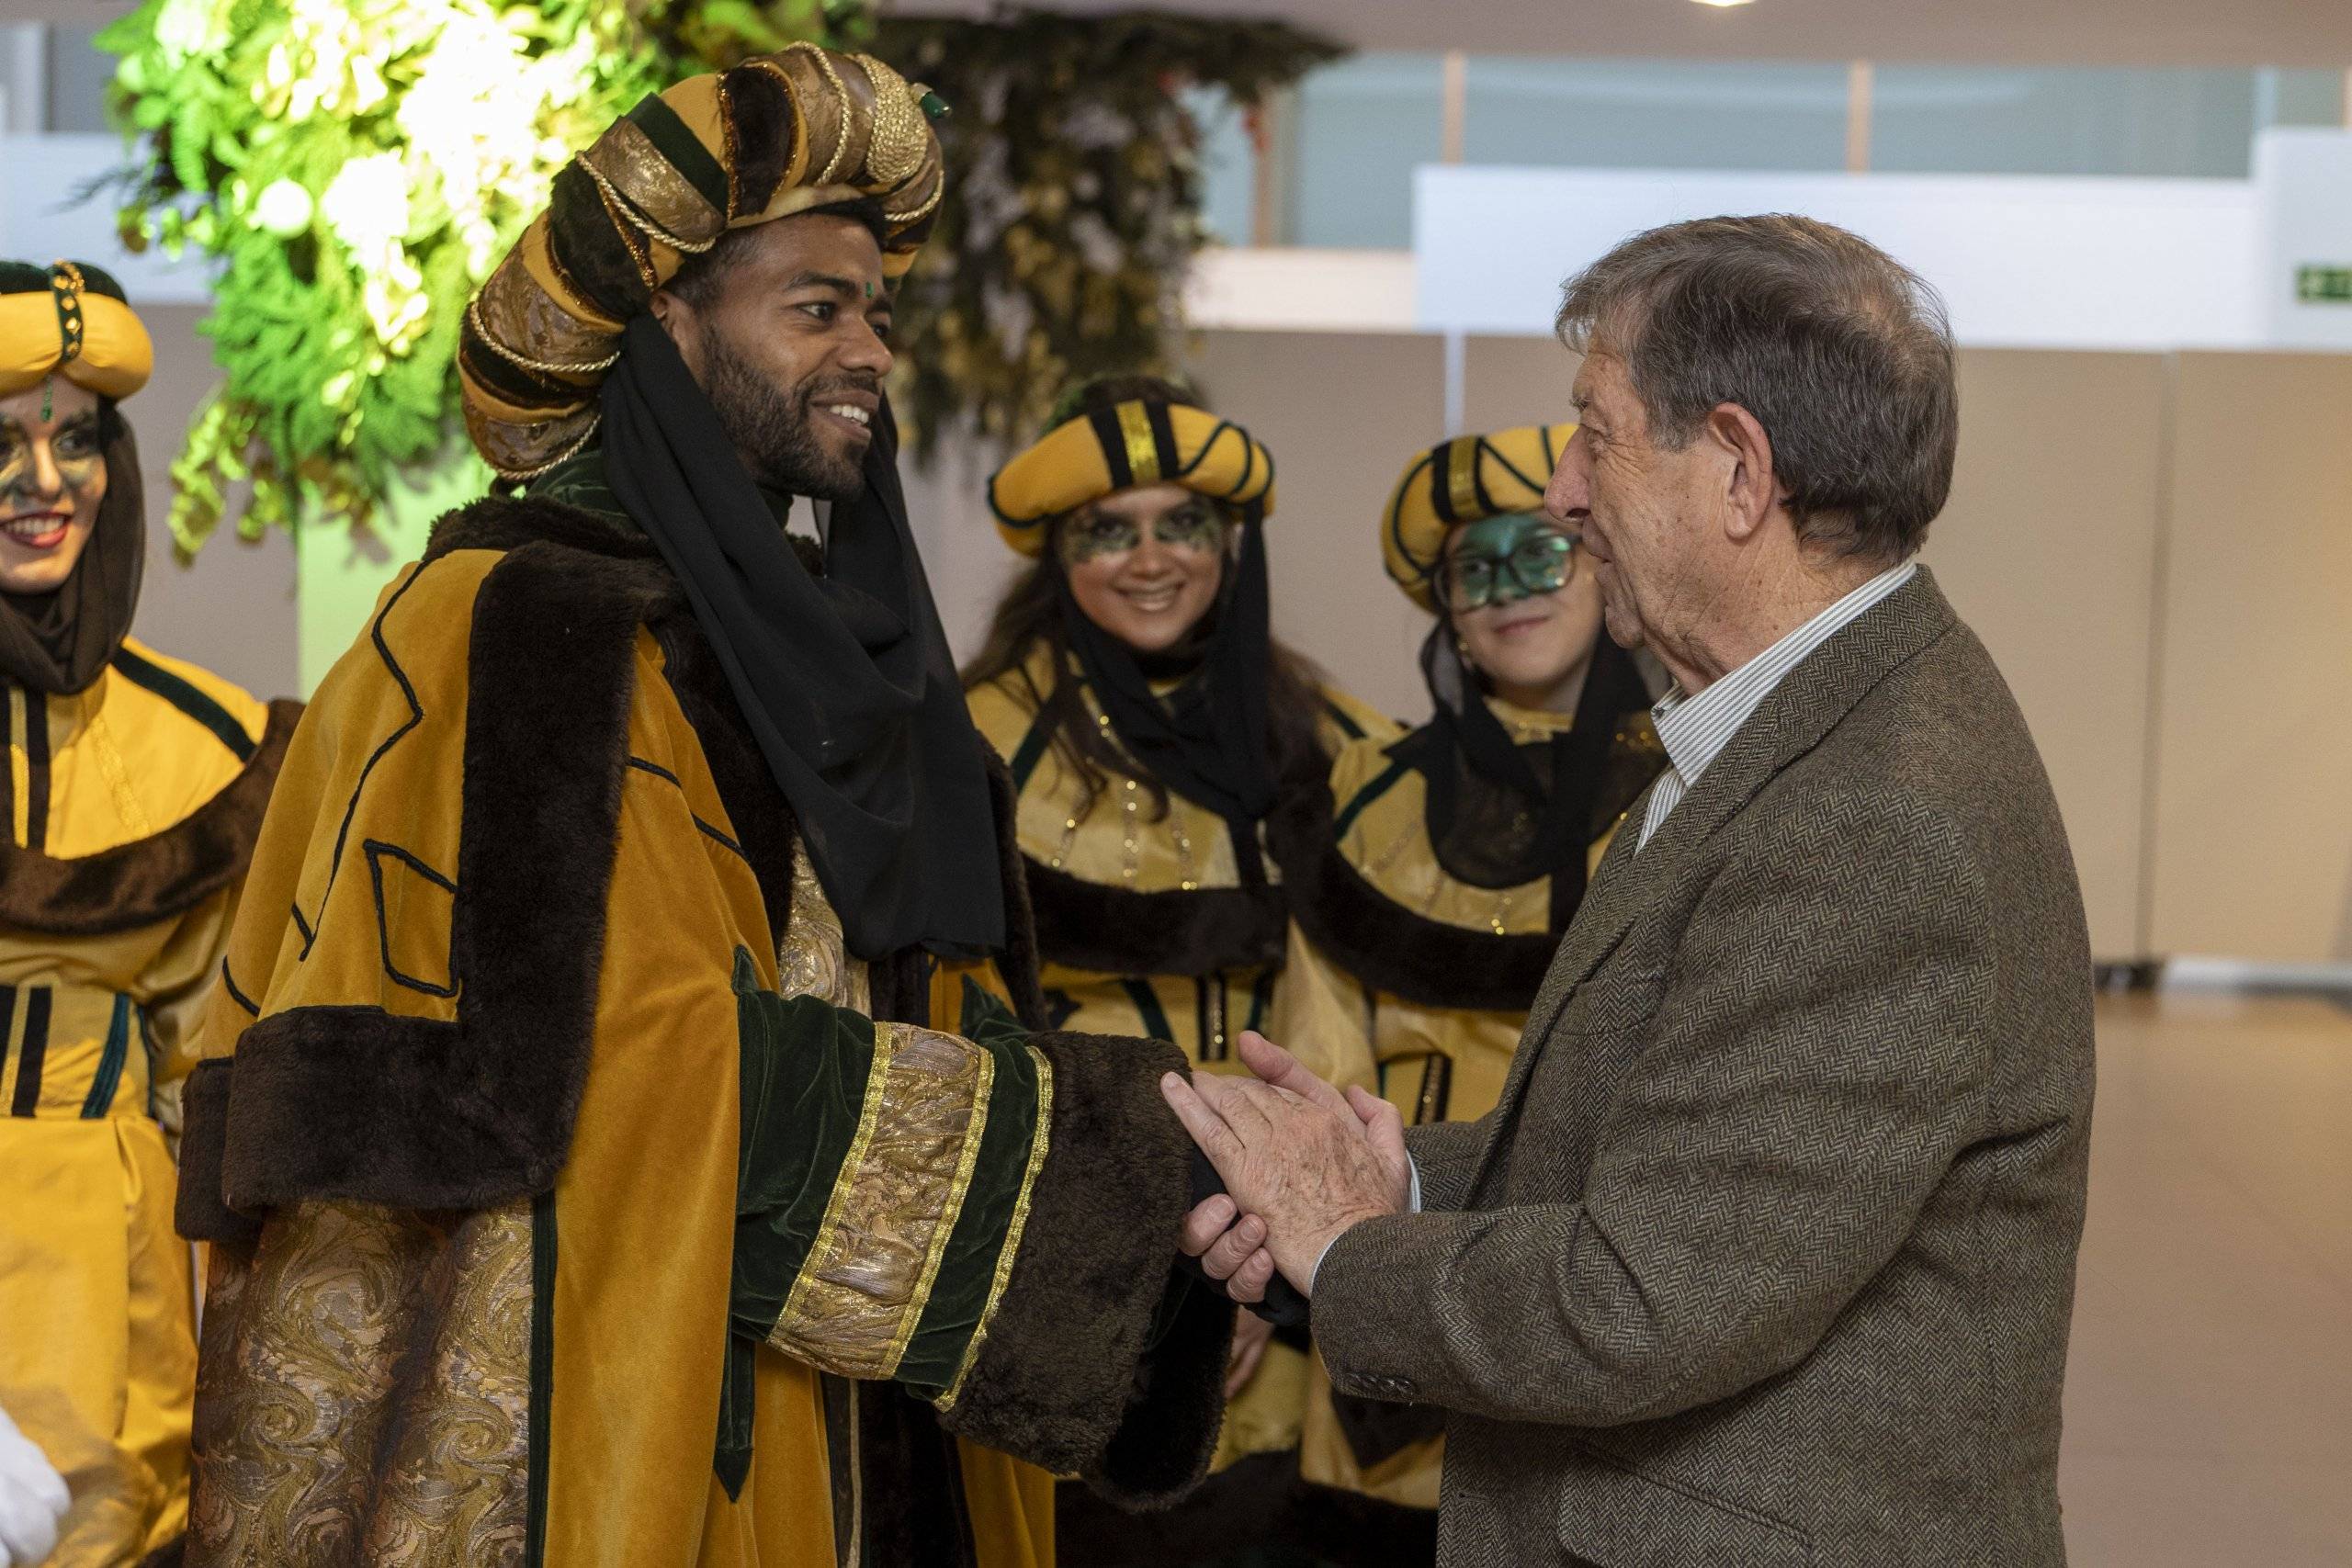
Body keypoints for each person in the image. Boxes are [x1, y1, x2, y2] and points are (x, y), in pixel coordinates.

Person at [175, 49, 1234, 1567]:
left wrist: (1163, 1230)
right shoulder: (520, 625)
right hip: (631, 1418)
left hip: (883, 1429)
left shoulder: (825, 642)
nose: (868, 348)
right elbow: (629, 1061)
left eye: (877, 310)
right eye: (815, 308)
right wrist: (1116, 1201)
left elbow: (931, 1000)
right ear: (664, 331)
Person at [1169, 214, 2096, 1566]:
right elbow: (1665, 1154)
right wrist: (1398, 1173)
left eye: (1592, 431)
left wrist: (1343, 1241)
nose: (1561, 491)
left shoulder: (1868, 815)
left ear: (1736, 468)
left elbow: (1642, 1294)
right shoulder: (1801, 728)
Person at [963, 376, 1391, 1562]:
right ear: (1060, 549)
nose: (1149, 558)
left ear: (1228, 540)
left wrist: (1271, 1259)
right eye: (1109, 527)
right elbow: (959, 1038)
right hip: (1057, 1292)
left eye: (1181, 523)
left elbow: (1342, 1021)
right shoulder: (968, 743)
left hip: (1279, 1298)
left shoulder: (1325, 737)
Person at [1273, 425, 1663, 1560]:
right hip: (1389, 1253)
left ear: (1598, 561)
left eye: (1537, 552)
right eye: (1471, 568)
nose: (1507, 592)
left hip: (1591, 1266)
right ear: (1443, 604)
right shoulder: (1366, 795)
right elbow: (1320, 1040)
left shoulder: (1693, 790)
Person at [0, 260, 298, 1567]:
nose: (44, 480)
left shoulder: (205, 745)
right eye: (2, 439)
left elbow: (217, 1056)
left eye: (76, 439)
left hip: (111, 1267)